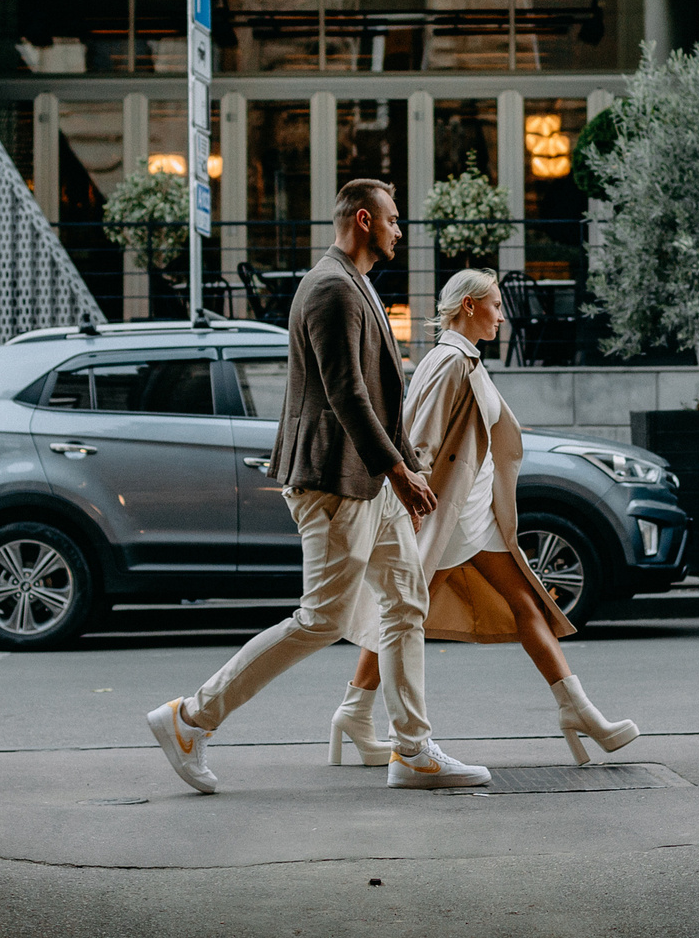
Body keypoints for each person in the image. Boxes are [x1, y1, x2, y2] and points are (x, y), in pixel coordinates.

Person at [145, 179, 493, 793]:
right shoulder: (331, 287)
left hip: (366, 481)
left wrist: (400, 470)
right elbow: (345, 393)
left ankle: (412, 751)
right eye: (391, 218)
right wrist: (401, 473)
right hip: (336, 480)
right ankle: (191, 717)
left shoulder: (352, 284)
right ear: (362, 219)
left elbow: (376, 397)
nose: (398, 230)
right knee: (322, 619)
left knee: (406, 602)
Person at [328, 267, 641, 767]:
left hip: (474, 514)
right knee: (408, 612)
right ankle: (358, 711)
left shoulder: (466, 358)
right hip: (450, 516)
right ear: (469, 306)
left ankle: (577, 710)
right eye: (494, 304)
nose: (502, 315)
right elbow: (420, 437)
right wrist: (413, 498)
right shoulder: (450, 360)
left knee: (523, 606)